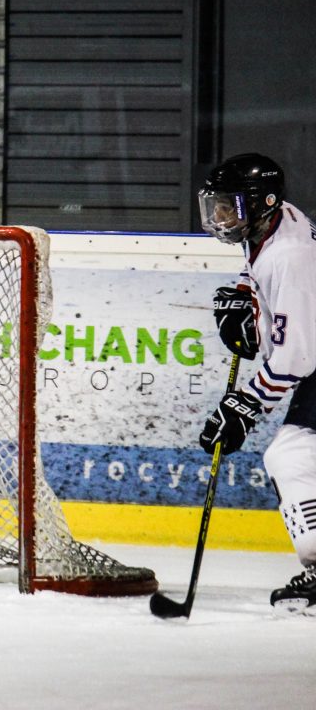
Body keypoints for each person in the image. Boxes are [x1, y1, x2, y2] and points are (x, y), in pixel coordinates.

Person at [197, 152, 316, 613]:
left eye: (229, 207)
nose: (221, 217)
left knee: (292, 454)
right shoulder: (272, 223)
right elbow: (258, 274)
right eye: (217, 206)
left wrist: (246, 405)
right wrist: (247, 302)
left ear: (261, 203)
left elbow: (296, 357)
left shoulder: (290, 256)